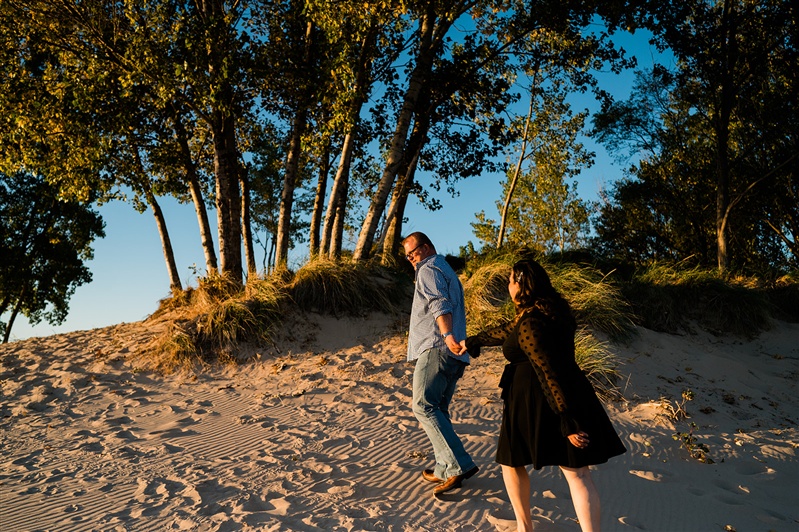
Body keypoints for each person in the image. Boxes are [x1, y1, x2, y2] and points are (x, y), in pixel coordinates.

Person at [464, 259, 625, 531]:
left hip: (538, 401)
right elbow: (508, 331)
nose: (508, 285)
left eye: (511, 280)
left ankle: (525, 527)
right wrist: (474, 341)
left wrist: (566, 419)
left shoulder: (530, 323)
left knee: (512, 461)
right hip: (571, 392)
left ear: (522, 285)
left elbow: (546, 370)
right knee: (578, 474)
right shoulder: (551, 313)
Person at [402, 231, 479, 495]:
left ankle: (457, 465)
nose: (411, 259)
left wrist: (446, 335)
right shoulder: (446, 268)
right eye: (408, 256)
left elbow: (439, 304)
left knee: (423, 406)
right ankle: (443, 467)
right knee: (438, 409)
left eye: (414, 252)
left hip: (438, 348)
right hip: (454, 353)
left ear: (427, 247)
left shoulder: (429, 269)